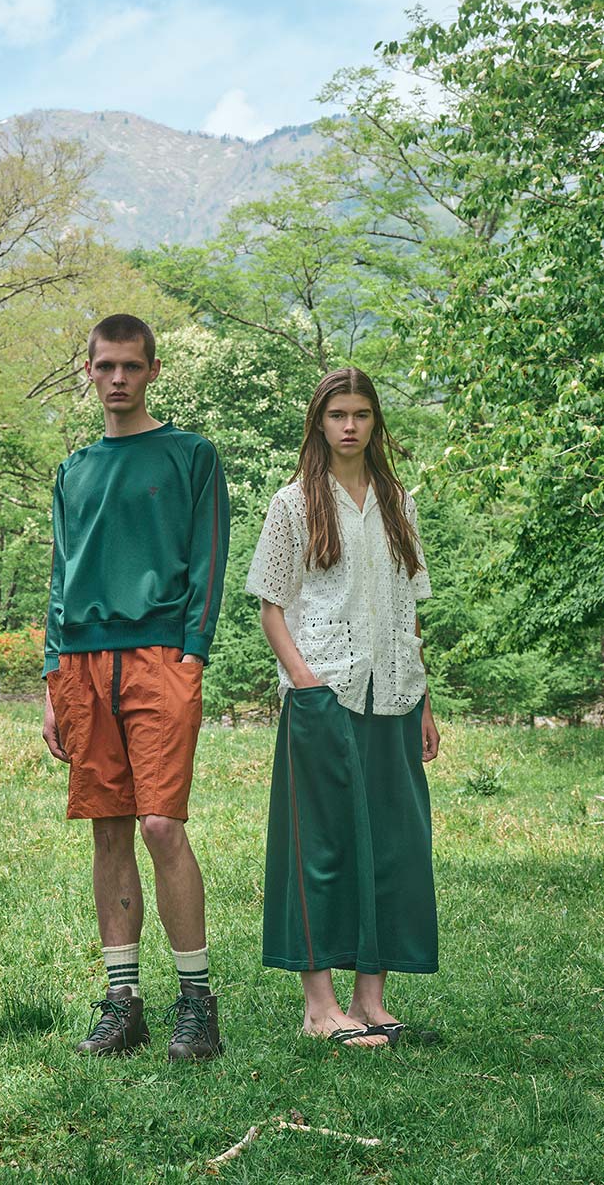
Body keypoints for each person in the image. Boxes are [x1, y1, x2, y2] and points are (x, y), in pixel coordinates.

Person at [41, 314, 230, 1061]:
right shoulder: (74, 469)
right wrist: (53, 674)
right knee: (109, 826)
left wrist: (193, 655)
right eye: (105, 366)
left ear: (152, 370)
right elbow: (60, 576)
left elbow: (208, 557)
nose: (117, 378)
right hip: (82, 664)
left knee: (160, 825)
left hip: (160, 658)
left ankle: (197, 1005)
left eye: (130, 365)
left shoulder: (190, 455)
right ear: (88, 371)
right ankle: (123, 1005)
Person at [245, 367, 439, 1049]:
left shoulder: (398, 502)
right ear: (319, 423)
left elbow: (408, 608)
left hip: (396, 692)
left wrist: (424, 701)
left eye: (360, 414)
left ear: (375, 421)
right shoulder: (293, 503)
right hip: (323, 693)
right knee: (320, 848)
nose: (349, 426)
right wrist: (306, 684)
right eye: (337, 415)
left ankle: (371, 1000)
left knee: (391, 845)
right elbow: (271, 607)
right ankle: (320, 1007)